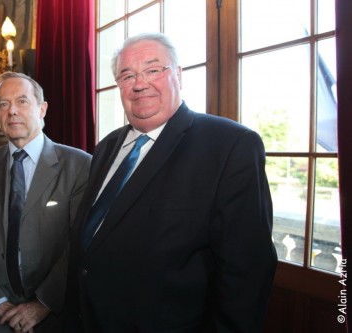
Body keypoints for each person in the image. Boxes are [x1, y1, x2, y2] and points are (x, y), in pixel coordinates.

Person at [65, 33, 277, 332]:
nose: (139, 84)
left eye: (153, 70)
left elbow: (247, 273)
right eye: (127, 75)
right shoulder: (106, 147)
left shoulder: (229, 145)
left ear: (178, 74)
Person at [0, 72, 91, 333]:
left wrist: (43, 303)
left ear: (42, 109)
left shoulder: (79, 165)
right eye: (3, 104)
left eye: (22, 101)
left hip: (55, 313)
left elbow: (80, 244)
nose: (12, 112)